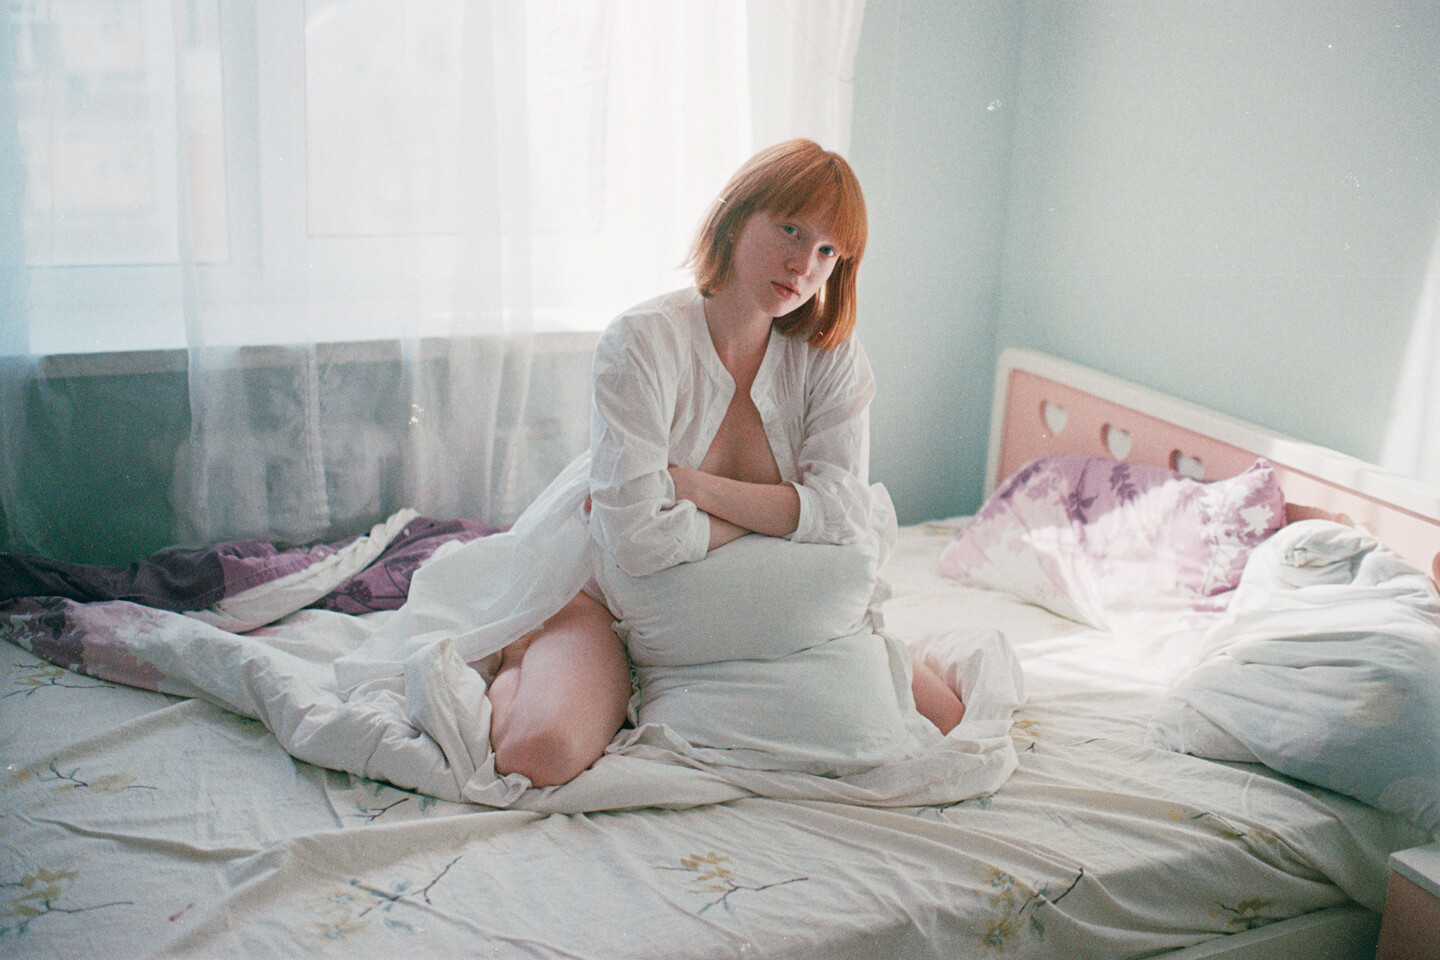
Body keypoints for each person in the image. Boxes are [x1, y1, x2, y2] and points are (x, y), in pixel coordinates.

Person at [482, 139, 965, 788]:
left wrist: (692, 488)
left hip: (755, 614)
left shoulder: (830, 355)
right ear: (736, 218)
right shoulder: (642, 342)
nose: (804, 265)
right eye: (791, 230)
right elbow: (636, 540)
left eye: (828, 251)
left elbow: (844, 513)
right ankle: (522, 655)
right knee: (537, 755)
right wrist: (783, 514)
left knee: (951, 726)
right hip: (616, 601)